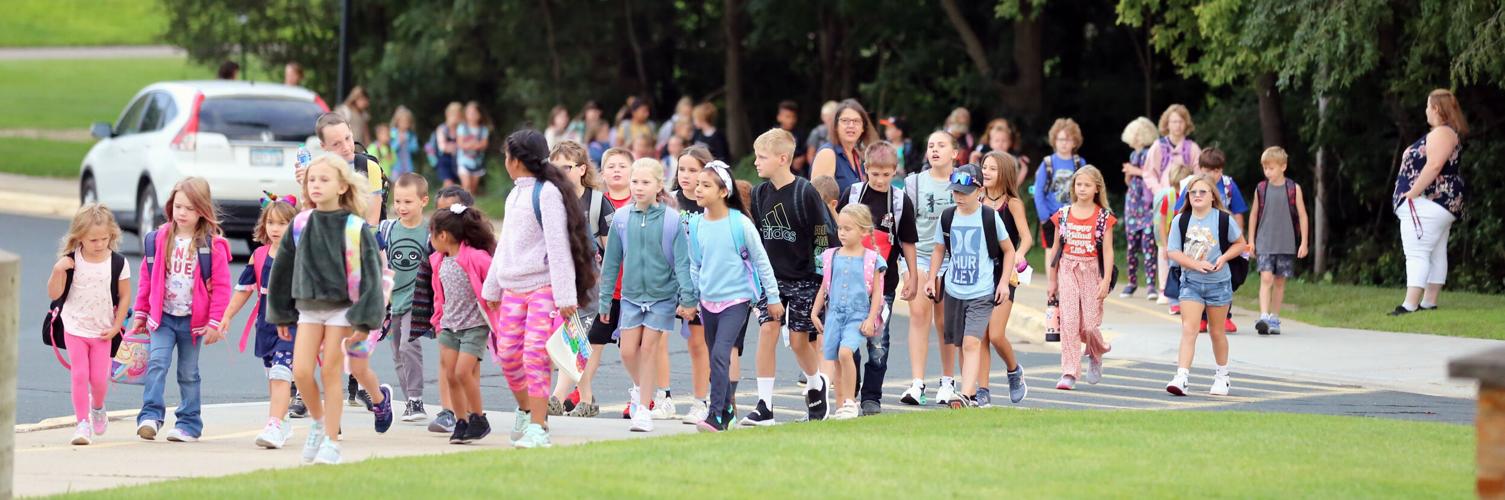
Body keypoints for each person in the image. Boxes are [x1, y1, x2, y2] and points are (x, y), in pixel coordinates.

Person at [481, 130, 596, 449]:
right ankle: (526, 408)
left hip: (543, 287)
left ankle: (539, 426)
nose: (505, 162)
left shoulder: (546, 194)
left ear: (516, 161)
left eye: (506, 156)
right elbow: (506, 244)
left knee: (534, 354)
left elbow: (558, 246)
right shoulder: (514, 194)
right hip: (514, 288)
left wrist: (565, 297)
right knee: (507, 355)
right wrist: (492, 286)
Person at [267, 156, 385, 465]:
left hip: (342, 310)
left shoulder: (355, 227)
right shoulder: (301, 223)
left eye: (324, 179)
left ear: (342, 186)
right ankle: (319, 423)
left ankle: (332, 441)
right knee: (302, 371)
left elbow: (371, 276)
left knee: (331, 372)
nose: (316, 185)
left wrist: (364, 320)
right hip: (308, 308)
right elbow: (282, 269)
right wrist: (281, 312)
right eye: (312, 180)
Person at [130, 177, 232, 443]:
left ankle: (189, 423)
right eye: (178, 206)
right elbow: (146, 279)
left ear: (202, 210)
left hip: (192, 322)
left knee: (188, 373)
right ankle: (150, 416)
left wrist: (215, 322)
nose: (182, 213)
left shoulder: (213, 246)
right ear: (170, 207)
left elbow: (221, 287)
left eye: (189, 208)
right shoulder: (157, 239)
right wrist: (140, 313)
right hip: (162, 318)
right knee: (156, 363)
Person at [599, 158, 695, 432]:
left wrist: (688, 299)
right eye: (635, 182)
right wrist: (605, 299)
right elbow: (611, 262)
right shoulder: (620, 218)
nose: (639, 187)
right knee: (628, 352)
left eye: (645, 182)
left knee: (649, 349)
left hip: (662, 296)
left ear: (658, 186)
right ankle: (643, 388)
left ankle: (643, 409)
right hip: (630, 296)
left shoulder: (671, 220)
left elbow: (682, 263)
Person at [746, 128, 834, 424]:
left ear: (782, 158)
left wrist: (822, 282)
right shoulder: (759, 195)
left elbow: (823, 236)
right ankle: (764, 405)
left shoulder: (804, 192)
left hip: (804, 279)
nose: (756, 162)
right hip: (771, 279)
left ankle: (815, 383)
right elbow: (758, 238)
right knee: (768, 331)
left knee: (799, 342)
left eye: (762, 157)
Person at [690, 162, 782, 433]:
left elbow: (761, 261)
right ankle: (728, 408)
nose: (698, 189)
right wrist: (694, 298)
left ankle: (715, 415)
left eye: (706, 185)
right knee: (714, 356)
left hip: (736, 301)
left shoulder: (739, 223)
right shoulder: (696, 224)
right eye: (698, 184)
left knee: (720, 354)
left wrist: (773, 298)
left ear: (723, 192)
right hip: (707, 302)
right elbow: (695, 264)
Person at [835, 141, 918, 415]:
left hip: (884, 286)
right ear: (866, 170)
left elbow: (907, 243)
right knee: (850, 339)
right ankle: (852, 385)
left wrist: (913, 277)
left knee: (878, 341)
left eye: (886, 174)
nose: (881, 180)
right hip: (850, 282)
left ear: (895, 171)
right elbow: (840, 232)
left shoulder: (899, 201)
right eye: (875, 174)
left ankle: (872, 395)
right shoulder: (854, 195)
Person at [927, 164, 1017, 407]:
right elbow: (939, 249)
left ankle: (967, 394)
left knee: (972, 342)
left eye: (964, 193)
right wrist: (931, 277)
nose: (958, 197)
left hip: (982, 291)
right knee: (960, 343)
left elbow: (1009, 250)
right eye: (955, 192)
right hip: (954, 289)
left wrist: (1004, 283)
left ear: (979, 191)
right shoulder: (947, 216)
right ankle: (968, 391)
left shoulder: (989, 216)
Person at [219, 195, 299, 448]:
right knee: (273, 376)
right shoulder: (259, 255)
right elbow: (244, 290)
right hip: (266, 326)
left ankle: (273, 424)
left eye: (283, 224)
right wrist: (227, 316)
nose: (275, 229)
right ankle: (282, 421)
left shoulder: (300, 255)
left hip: (293, 325)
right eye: (271, 223)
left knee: (280, 373)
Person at [49, 204, 132, 446]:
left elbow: (125, 295)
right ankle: (82, 424)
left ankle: (97, 406)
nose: (99, 244)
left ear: (112, 236)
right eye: (93, 239)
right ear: (79, 237)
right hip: (74, 326)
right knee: (79, 375)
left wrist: (117, 326)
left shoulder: (117, 263)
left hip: (103, 331)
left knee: (99, 379)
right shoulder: (71, 261)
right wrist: (57, 270)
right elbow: (54, 293)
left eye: (104, 239)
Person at [545, 141, 615, 417]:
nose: (560, 172)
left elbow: (612, 251)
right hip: (557, 281)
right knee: (574, 341)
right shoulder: (549, 200)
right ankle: (586, 400)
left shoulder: (597, 202)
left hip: (588, 284)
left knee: (574, 339)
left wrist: (606, 288)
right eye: (555, 167)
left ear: (582, 169)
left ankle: (556, 398)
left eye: (567, 167)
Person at [1165, 174, 1247, 396]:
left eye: (1203, 192)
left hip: (1219, 284)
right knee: (1189, 329)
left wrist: (1223, 258)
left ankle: (1222, 376)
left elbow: (1241, 244)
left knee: (1217, 332)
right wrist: (1193, 264)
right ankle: (1181, 376)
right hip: (1190, 283)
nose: (1198, 195)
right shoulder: (1180, 221)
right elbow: (1172, 251)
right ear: (1188, 196)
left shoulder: (1222, 219)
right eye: (1193, 192)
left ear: (1212, 196)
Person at [1390, 89, 1467, 316]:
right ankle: (1428, 302)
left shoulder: (1443, 133)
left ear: (1435, 108)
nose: (1425, 110)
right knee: (1435, 251)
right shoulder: (1445, 133)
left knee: (1417, 252)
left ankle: (1409, 305)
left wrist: (1412, 192)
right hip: (1438, 202)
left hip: (1429, 200)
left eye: (1427, 106)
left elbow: (1433, 166)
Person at [899, 131, 961, 407]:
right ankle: (917, 383)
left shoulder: (963, 181)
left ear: (955, 153)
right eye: (931, 145)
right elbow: (904, 226)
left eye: (942, 145)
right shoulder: (913, 183)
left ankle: (947, 381)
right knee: (918, 313)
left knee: (945, 321)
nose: (935, 150)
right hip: (920, 255)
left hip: (954, 258)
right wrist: (908, 269)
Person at [428, 202, 499, 444]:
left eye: (432, 233)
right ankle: (461, 421)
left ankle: (479, 417)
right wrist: (438, 321)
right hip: (449, 326)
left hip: (474, 327)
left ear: (443, 235)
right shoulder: (438, 260)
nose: (430, 239)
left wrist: (495, 303)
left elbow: (495, 280)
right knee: (450, 375)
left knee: (462, 372)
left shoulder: (476, 258)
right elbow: (440, 295)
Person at [810, 204, 887, 419]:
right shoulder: (831, 255)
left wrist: (871, 318)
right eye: (840, 228)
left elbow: (877, 294)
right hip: (834, 313)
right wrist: (815, 313)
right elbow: (825, 286)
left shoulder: (871, 259)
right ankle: (839, 405)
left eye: (848, 229)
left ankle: (851, 402)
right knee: (834, 358)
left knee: (846, 353)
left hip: (857, 315)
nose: (842, 233)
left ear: (864, 231)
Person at [1046, 165, 1115, 391]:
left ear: (1096, 188)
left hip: (1092, 271)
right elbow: (1055, 249)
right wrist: (1052, 282)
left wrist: (1105, 282)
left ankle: (1096, 352)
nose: (1082, 188)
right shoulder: (1063, 215)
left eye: (1087, 185)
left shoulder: (1104, 217)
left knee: (1090, 325)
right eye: (1079, 184)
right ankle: (1069, 372)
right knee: (1069, 322)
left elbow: (1108, 251)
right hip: (1067, 269)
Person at [975, 151, 1030, 406]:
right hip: (980, 272)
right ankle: (982, 390)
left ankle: (1014, 370)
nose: (985, 172)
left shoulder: (1013, 203)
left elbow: (1026, 237)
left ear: (1005, 173)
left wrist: (1018, 254)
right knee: (981, 335)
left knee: (996, 334)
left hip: (1006, 272)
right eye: (984, 167)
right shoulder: (976, 199)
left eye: (992, 169)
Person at [1173, 148, 1246, 332]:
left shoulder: (1228, 185)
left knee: (1223, 279)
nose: (1214, 174)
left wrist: (1240, 235)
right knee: (1197, 278)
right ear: (1200, 168)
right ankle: (1202, 317)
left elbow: (1237, 212)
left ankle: (1224, 315)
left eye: (1218, 170)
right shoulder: (1194, 185)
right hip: (1195, 240)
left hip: (1222, 238)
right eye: (1209, 170)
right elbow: (1180, 211)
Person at [379, 174, 433, 421]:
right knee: (397, 353)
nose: (401, 207)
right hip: (393, 301)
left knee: (408, 346)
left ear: (423, 201)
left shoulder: (431, 232)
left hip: (418, 300)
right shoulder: (388, 229)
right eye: (398, 201)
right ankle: (410, 399)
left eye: (408, 202)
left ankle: (416, 399)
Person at [667, 146, 713, 423]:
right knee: (654, 340)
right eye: (682, 169)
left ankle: (700, 401)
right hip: (668, 281)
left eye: (693, 170)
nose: (685, 175)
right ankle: (659, 397)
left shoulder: (710, 202)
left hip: (701, 283)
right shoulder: (668, 201)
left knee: (698, 343)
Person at [425, 186, 473, 434]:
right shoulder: (436, 255)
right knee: (446, 362)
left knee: (468, 368)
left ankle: (472, 411)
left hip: (474, 320)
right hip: (447, 318)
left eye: (449, 212)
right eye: (439, 213)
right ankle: (448, 411)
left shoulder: (477, 252)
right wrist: (436, 316)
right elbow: (435, 289)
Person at [1247, 147, 1309, 335]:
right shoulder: (1261, 189)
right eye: (1265, 168)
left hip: (1286, 242)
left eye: (1271, 168)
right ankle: (1264, 316)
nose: (1268, 172)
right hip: (1265, 241)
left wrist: (1304, 242)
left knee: (1280, 281)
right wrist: (1251, 241)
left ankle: (1274, 317)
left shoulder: (1293, 188)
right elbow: (1254, 215)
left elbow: (1303, 215)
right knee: (1266, 278)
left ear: (1283, 166)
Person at [304, 112, 385, 225]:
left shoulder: (369, 168)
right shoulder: (319, 172)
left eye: (347, 138)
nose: (346, 148)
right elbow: (311, 214)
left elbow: (373, 221)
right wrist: (304, 185)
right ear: (324, 146)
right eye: (336, 144)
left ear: (351, 131)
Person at [1033, 118, 1088, 265]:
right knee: (1051, 251)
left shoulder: (1079, 163)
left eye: (1068, 140)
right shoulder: (1047, 163)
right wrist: (1044, 217)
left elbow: (1086, 188)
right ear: (1054, 140)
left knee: (1072, 252)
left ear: (1075, 142)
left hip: (1074, 215)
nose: (1064, 143)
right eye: (1061, 139)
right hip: (1052, 215)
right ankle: (1052, 286)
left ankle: (1067, 286)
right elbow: (1038, 192)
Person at [1118, 117, 1160, 299]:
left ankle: (1151, 285)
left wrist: (1134, 171)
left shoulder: (1149, 153)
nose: (1135, 138)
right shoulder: (1133, 155)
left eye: (1138, 135)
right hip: (1132, 204)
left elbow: (1151, 174)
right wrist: (1128, 174)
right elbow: (1130, 181)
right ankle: (1132, 282)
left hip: (1147, 205)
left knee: (1149, 245)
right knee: (1132, 246)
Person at [811, 99, 879, 194]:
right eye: (845, 120)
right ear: (835, 126)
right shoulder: (828, 154)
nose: (851, 125)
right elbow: (819, 200)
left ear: (863, 127)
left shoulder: (858, 156)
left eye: (856, 121)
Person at [1155, 165, 1194, 314]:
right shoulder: (1169, 197)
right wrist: (1165, 246)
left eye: (1181, 186)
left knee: (1188, 272)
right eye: (1177, 186)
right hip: (1173, 241)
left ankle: (1187, 300)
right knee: (1175, 270)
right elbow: (1162, 223)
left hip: (1189, 241)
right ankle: (1174, 302)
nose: (1179, 190)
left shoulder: (1192, 195)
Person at [970, 118, 1031, 185]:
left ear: (1010, 143)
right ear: (990, 142)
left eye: (1004, 141)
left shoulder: (1012, 160)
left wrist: (1024, 169)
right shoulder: (985, 157)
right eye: (997, 140)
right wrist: (973, 159)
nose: (1000, 144)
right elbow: (975, 176)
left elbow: (1015, 184)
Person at [457, 101, 491, 195]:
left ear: (480, 115)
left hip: (477, 163)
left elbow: (484, 145)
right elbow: (460, 144)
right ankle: (463, 204)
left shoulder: (483, 129)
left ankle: (468, 203)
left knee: (472, 187)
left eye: (475, 113)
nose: (472, 115)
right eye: (469, 113)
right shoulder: (462, 128)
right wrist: (474, 144)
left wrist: (471, 145)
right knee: (466, 185)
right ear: (466, 115)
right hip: (463, 162)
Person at [429, 102, 464, 189]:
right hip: (445, 160)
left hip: (458, 160)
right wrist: (460, 146)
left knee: (455, 186)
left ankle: (443, 199)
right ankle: (442, 200)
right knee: (448, 183)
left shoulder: (462, 128)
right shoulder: (442, 128)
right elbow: (443, 147)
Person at [775, 100, 809, 176]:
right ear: (779, 117)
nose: (791, 120)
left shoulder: (801, 133)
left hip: (798, 172)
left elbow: (807, 150)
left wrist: (802, 159)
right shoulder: (773, 134)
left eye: (793, 117)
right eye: (787, 117)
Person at [389, 106, 421, 178]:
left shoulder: (411, 135)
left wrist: (408, 142)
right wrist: (398, 142)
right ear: (397, 122)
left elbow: (415, 149)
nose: (405, 124)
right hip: (396, 166)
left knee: (408, 181)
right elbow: (390, 149)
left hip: (408, 165)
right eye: (402, 122)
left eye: (407, 122)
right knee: (395, 182)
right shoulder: (393, 133)